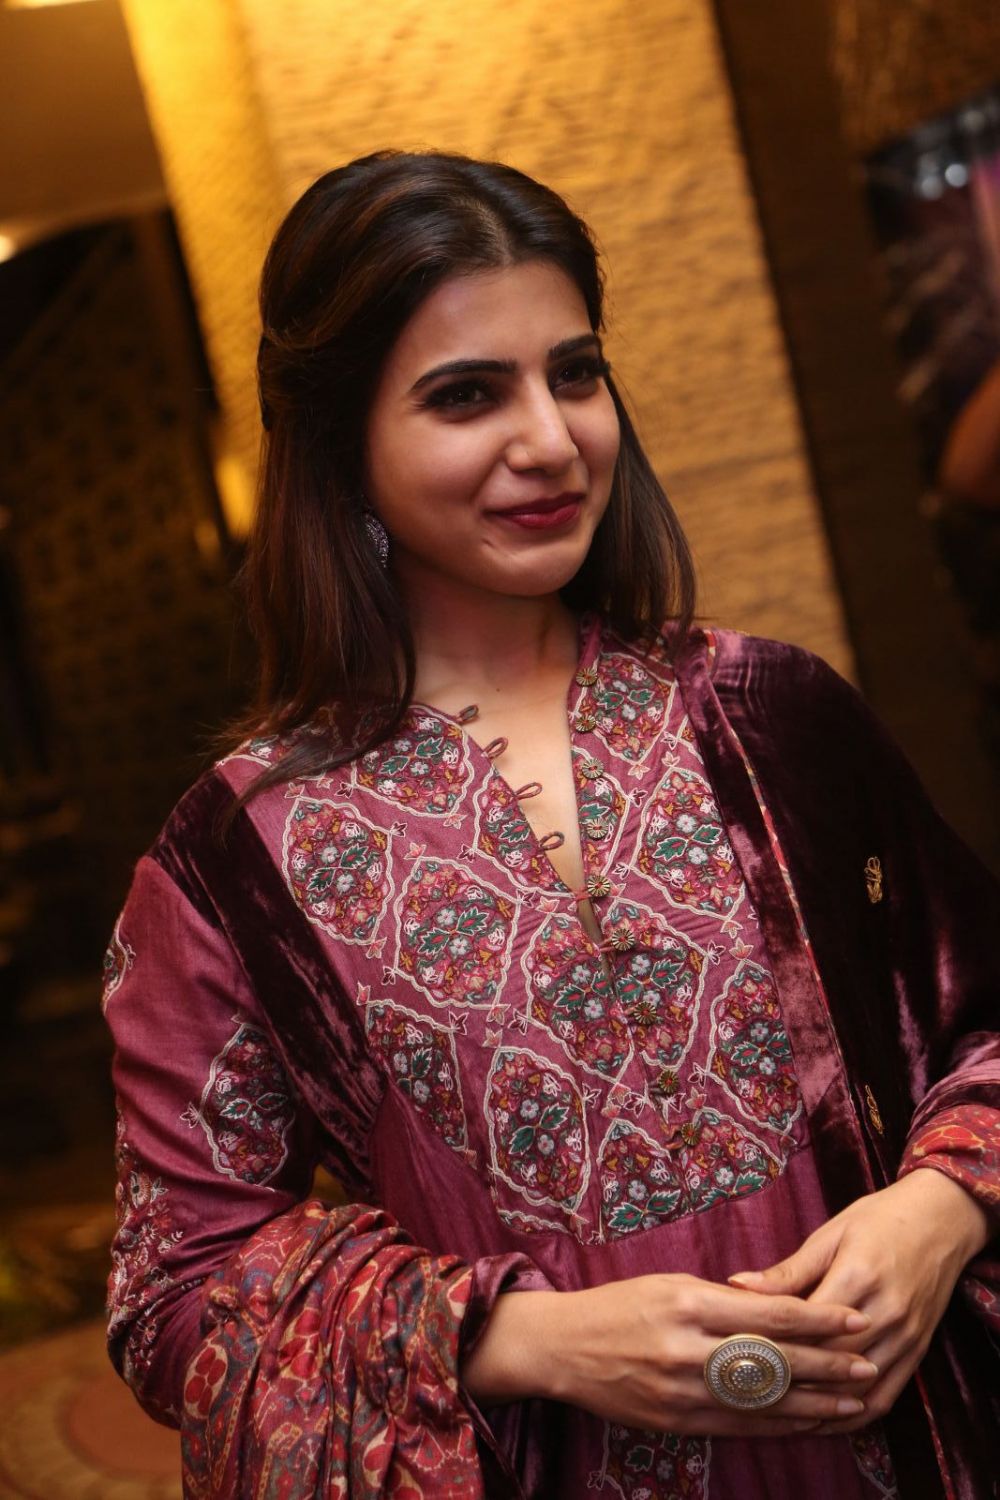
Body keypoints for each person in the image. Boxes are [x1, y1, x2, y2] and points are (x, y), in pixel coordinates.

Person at [104, 151, 1000, 1500]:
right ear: (339, 436)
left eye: (574, 373)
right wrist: (523, 1339)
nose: (552, 439)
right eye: (468, 394)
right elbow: (178, 1291)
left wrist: (943, 1206)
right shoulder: (240, 860)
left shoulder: (770, 714)